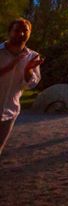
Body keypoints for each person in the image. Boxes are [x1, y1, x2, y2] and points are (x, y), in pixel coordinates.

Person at [0, 18, 43, 157]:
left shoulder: (33, 56)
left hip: (10, 110)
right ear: (10, 32)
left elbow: (30, 84)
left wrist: (28, 70)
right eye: (17, 30)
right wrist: (10, 66)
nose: (21, 34)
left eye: (25, 30)